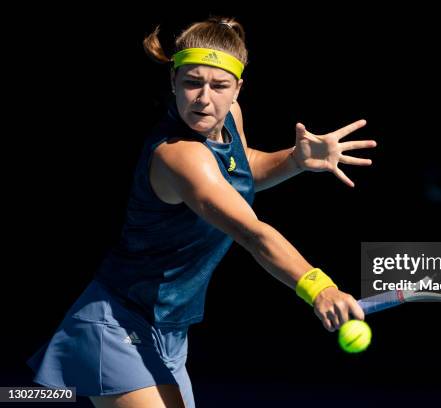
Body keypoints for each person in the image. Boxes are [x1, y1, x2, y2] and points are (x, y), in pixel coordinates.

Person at [26, 16, 376, 408]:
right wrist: (319, 287)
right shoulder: (180, 157)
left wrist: (294, 160)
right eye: (192, 82)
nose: (204, 98)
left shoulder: (228, 120)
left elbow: (242, 172)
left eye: (219, 86)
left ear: (238, 90)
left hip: (170, 329)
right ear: (173, 81)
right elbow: (251, 233)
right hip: (118, 322)